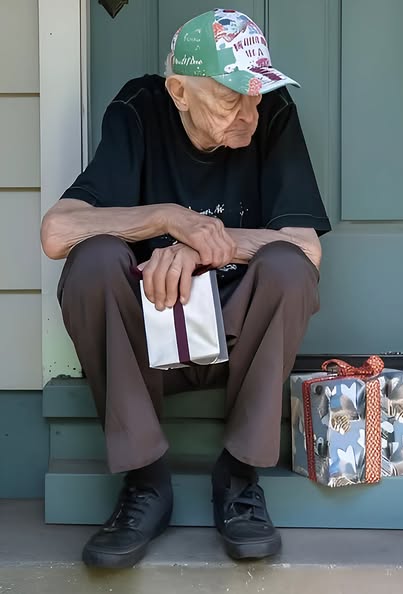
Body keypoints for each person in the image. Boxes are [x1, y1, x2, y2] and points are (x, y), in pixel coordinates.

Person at [41, 8, 331, 568]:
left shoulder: (270, 114)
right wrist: (169, 219)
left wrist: (202, 245)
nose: (249, 113)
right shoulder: (141, 110)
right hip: (148, 343)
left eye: (257, 95)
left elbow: (306, 246)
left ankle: (240, 476)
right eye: (231, 98)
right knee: (92, 259)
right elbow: (57, 232)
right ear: (179, 91)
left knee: (292, 268)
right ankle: (145, 481)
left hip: (235, 337)